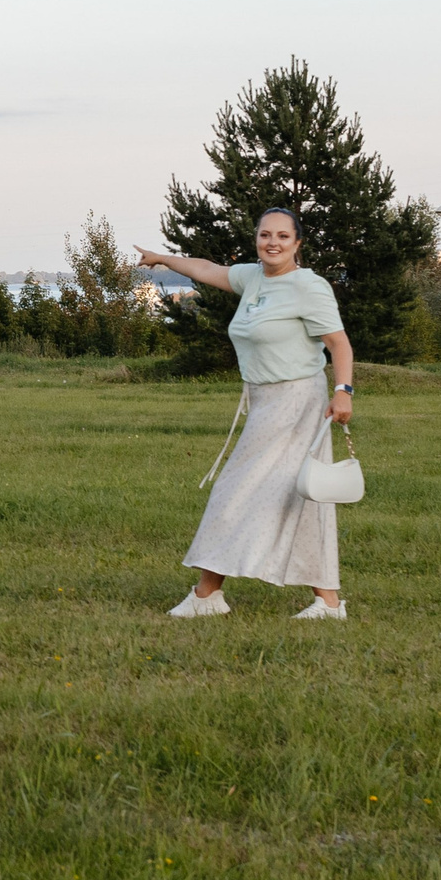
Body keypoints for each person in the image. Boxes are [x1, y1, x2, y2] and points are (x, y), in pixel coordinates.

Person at [139, 207, 356, 621]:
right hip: (264, 400)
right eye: (264, 235)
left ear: (298, 244)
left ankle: (207, 595)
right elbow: (207, 269)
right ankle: (328, 603)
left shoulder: (308, 286)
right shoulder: (252, 277)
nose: (272, 242)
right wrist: (163, 258)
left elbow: (339, 344)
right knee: (299, 498)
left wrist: (343, 391)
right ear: (256, 239)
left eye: (282, 237)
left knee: (234, 492)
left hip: (297, 402)